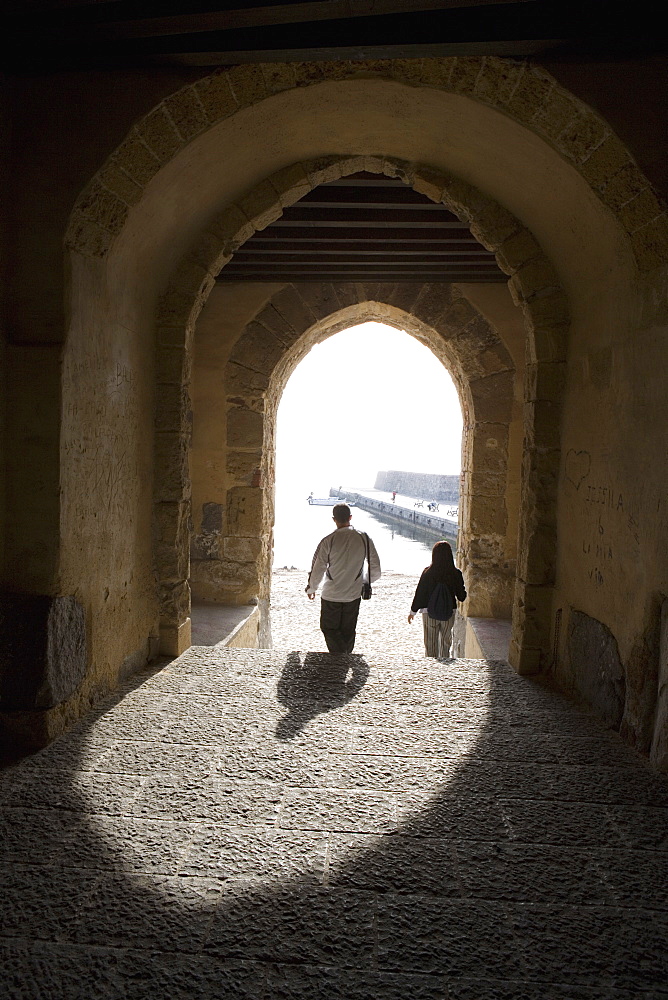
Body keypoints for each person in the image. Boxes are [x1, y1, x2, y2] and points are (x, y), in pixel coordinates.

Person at [305, 503, 381, 653]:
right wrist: (364, 581)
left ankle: (339, 657)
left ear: (334, 519)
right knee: (348, 630)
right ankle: (345, 656)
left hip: (331, 594)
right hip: (353, 594)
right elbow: (376, 569)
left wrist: (312, 587)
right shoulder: (364, 538)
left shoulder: (328, 540)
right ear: (350, 517)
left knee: (328, 628)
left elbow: (318, 567)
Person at [408, 540, 466, 659]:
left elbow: (420, 593)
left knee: (430, 644)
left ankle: (431, 668)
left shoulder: (427, 572)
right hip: (449, 612)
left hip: (429, 613)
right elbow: (461, 597)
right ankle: (444, 666)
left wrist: (412, 611)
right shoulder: (455, 573)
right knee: (446, 642)